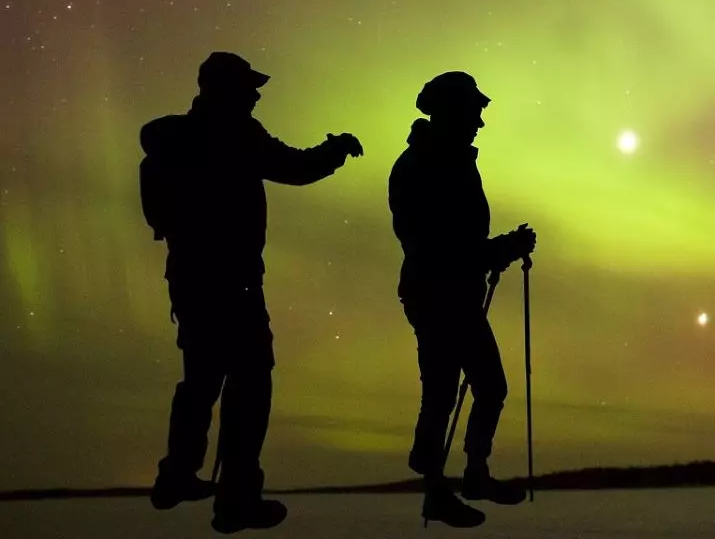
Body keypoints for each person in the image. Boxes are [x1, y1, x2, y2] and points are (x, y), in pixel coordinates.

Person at [141, 51, 363, 533]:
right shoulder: (236, 134)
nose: (257, 94)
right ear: (224, 89)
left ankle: (178, 474)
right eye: (248, 86)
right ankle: (236, 499)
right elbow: (295, 167)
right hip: (233, 284)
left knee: (201, 380)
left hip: (188, 280)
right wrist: (337, 149)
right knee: (251, 385)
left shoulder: (174, 140)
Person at [389, 71, 535, 528]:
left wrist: (497, 249)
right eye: (474, 112)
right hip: (438, 294)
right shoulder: (427, 165)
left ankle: (469, 475)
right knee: (446, 392)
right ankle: (440, 486)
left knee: (477, 387)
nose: (479, 123)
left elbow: (459, 240)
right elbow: (441, 245)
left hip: (450, 292)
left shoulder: (447, 160)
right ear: (452, 110)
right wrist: (501, 250)